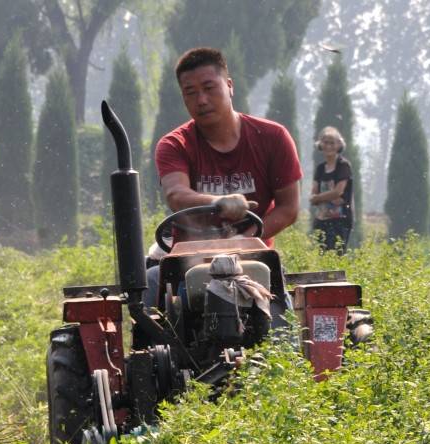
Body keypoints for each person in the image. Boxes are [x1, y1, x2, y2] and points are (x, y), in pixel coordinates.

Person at [145, 47, 302, 310]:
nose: (202, 100)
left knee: (279, 322)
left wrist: (245, 241)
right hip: (190, 261)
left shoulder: (273, 138)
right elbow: (176, 195)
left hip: (254, 259)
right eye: (191, 93)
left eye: (209, 88)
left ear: (229, 86)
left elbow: (289, 208)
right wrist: (220, 202)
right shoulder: (174, 145)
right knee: (150, 288)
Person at [310, 126, 353, 254]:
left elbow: (338, 192)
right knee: (322, 254)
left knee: (337, 254)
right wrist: (321, 197)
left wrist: (319, 197)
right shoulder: (320, 168)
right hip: (322, 219)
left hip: (340, 220)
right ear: (321, 145)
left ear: (339, 145)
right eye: (326, 142)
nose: (329, 146)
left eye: (332, 143)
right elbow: (313, 193)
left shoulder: (343, 166)